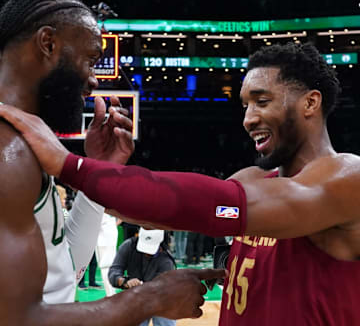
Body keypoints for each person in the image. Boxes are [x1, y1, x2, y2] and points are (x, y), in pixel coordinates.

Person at [6, 41, 360, 325]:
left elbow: (219, 206)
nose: (249, 119)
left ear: (310, 103)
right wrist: (102, 168)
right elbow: (162, 212)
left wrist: (72, 165)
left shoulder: (348, 178)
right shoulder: (254, 180)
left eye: (262, 101)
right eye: (244, 106)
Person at [0, 0, 225, 325]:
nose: (94, 81)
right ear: (48, 44)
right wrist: (150, 297)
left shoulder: (23, 144)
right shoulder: (9, 153)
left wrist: (95, 174)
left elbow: (63, 271)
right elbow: (17, 318)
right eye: (90, 60)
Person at [109, 228, 176, 326]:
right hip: (136, 298)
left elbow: (162, 289)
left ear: (160, 246)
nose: (146, 253)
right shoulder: (128, 246)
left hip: (161, 299)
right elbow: (114, 271)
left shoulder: (166, 260)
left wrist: (141, 287)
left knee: (165, 321)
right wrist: (124, 282)